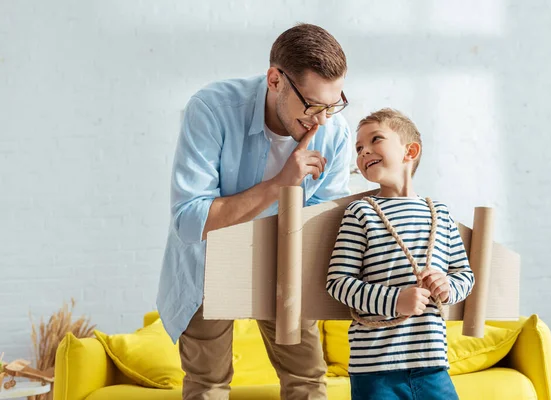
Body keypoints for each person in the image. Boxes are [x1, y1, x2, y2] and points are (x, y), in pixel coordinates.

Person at [157, 23, 353, 399]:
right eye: (312, 106)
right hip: (207, 265)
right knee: (207, 385)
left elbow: (322, 224)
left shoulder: (334, 132)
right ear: (275, 79)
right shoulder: (212, 109)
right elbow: (189, 221)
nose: (322, 120)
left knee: (308, 382)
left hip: (284, 266)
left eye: (333, 105)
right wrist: (281, 185)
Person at [326, 108, 475, 400]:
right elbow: (338, 282)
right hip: (374, 370)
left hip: (432, 365)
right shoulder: (361, 212)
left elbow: (464, 276)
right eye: (359, 148)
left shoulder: (440, 214)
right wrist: (396, 301)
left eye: (375, 140)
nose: (364, 151)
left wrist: (447, 287)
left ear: (411, 151)